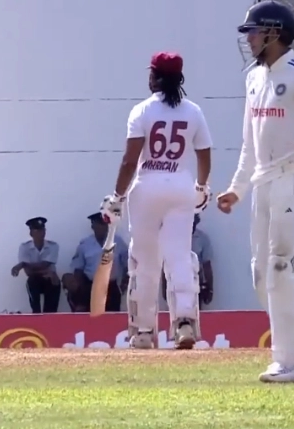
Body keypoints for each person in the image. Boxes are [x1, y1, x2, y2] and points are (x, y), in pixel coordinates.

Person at [216, 0, 294, 383]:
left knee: (283, 267)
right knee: (260, 274)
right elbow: (250, 144)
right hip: (263, 181)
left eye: (253, 31)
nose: (248, 39)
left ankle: (284, 362)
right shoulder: (253, 78)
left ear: (274, 32)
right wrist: (236, 189)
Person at [100, 52, 212, 350]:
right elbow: (204, 153)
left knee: (145, 261)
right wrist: (202, 186)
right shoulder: (193, 111)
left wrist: (117, 197)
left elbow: (129, 161)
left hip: (146, 187)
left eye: (151, 73)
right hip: (181, 187)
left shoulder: (142, 111)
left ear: (156, 77)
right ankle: (185, 324)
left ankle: (144, 331)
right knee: (179, 256)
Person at [62, 213, 128, 312]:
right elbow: (78, 268)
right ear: (93, 226)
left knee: (112, 319)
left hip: (111, 286)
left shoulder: (118, 242)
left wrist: (125, 283)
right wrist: (79, 293)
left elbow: (128, 264)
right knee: (89, 319)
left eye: (104, 224)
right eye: (98, 225)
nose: (101, 227)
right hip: (90, 286)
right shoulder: (85, 244)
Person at [161, 214, 214, 308]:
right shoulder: (172, 239)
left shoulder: (202, 239)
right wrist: (164, 287)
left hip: (195, 285)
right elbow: (166, 263)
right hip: (176, 285)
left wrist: (209, 288)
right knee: (175, 316)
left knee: (196, 316)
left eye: (193, 222)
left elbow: (207, 265)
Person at [11, 217, 61, 313]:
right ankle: (36, 315)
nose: (40, 233)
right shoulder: (24, 247)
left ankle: (50, 317)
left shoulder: (53, 246)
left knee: (54, 281)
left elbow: (45, 264)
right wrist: (45, 270)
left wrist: (23, 265)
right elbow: (29, 273)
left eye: (42, 230)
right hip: (35, 279)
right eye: (36, 230)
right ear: (31, 233)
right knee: (32, 282)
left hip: (50, 279)